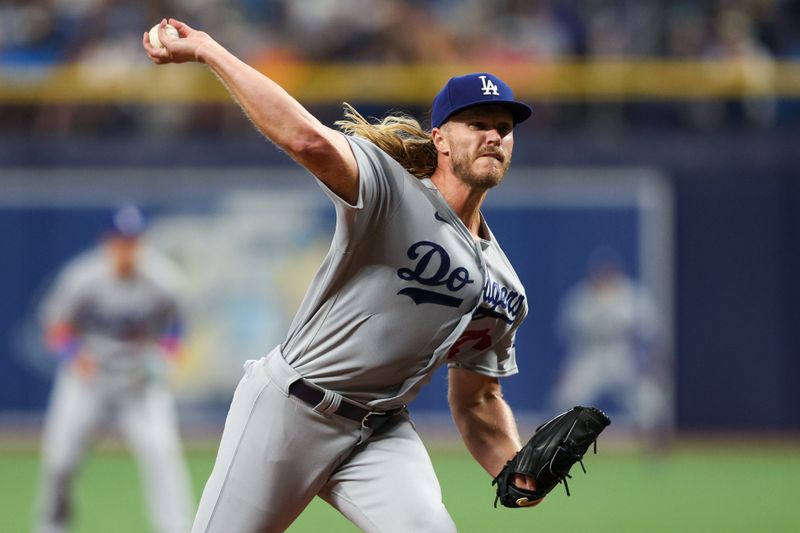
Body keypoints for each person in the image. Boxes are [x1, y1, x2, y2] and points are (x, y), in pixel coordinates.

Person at [144, 19, 536, 533]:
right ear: (440, 138)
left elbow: (478, 399)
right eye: (477, 123)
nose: (493, 136)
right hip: (291, 411)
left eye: (503, 128)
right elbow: (307, 140)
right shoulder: (393, 193)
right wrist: (209, 50)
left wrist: (518, 470)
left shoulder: (504, 288)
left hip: (379, 432)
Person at [35, 204, 194, 533]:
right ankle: (51, 528)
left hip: (140, 384)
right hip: (88, 381)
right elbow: (56, 325)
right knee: (60, 462)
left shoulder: (164, 280)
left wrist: (164, 356)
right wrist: (74, 354)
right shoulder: (82, 277)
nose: (128, 249)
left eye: (134, 241)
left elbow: (178, 325)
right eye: (121, 241)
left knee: (164, 460)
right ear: (107, 242)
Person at [551, 247, 672, 451]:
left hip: (621, 354)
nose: (604, 278)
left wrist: (655, 365)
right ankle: (560, 448)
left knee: (649, 400)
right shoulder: (581, 297)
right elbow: (569, 338)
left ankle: (655, 447)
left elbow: (652, 334)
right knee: (566, 397)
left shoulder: (632, 295)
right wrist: (564, 369)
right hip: (590, 355)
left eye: (608, 273)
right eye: (600, 273)